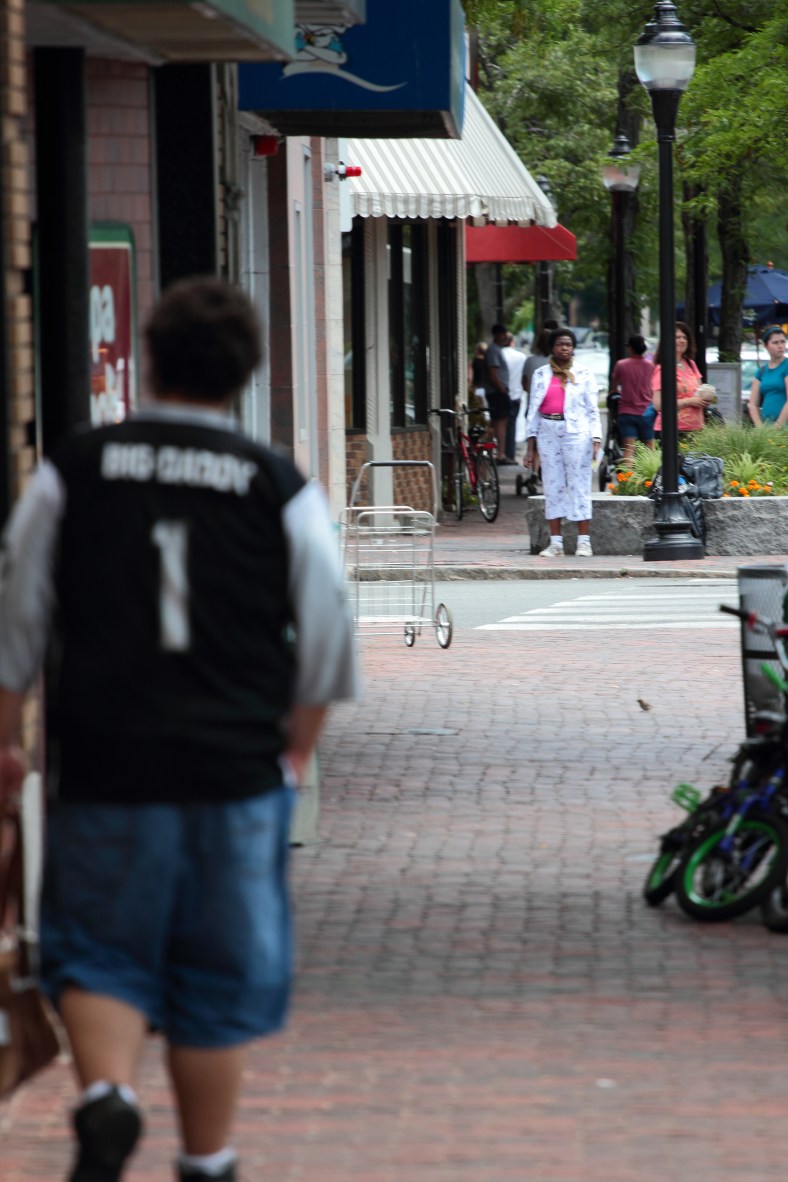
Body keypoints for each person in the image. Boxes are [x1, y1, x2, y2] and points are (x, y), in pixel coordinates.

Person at [0, 277, 359, 1182]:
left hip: (104, 760)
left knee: (98, 951)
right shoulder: (278, 486)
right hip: (235, 771)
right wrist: (295, 751)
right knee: (216, 978)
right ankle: (207, 1160)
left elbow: (17, 627)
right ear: (245, 373)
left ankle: (108, 1099)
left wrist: (9, 744)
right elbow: (327, 637)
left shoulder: (74, 470)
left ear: (148, 358)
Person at [523, 328, 602, 557]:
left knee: (579, 484)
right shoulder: (540, 374)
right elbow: (533, 411)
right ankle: (556, 542)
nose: (565, 348)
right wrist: (531, 447)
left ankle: (584, 541)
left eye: (568, 344)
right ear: (552, 348)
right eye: (560, 344)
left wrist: (596, 438)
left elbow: (592, 409)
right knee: (552, 485)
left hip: (577, 433)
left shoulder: (584, 373)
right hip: (548, 432)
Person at [651, 321, 713, 436]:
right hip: (673, 431)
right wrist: (688, 402)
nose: (682, 340)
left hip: (697, 429)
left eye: (685, 337)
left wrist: (706, 399)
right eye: (677, 337)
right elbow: (658, 405)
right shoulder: (662, 368)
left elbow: (699, 392)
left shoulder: (691, 364)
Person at [611, 333, 656, 461]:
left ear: (630, 348)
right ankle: (649, 478)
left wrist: (614, 391)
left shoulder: (621, 364)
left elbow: (614, 387)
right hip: (646, 412)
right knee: (650, 448)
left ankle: (627, 479)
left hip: (626, 412)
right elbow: (654, 387)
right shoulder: (650, 366)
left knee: (629, 449)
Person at [748, 325, 788, 426]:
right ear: (766, 346)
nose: (780, 346)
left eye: (783, 341)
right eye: (775, 342)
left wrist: (778, 426)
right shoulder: (761, 371)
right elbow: (752, 404)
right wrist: (760, 428)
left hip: (783, 428)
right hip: (766, 427)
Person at [484, 323, 512, 463]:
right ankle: (500, 454)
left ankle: (496, 452)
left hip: (497, 391)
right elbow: (493, 374)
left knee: (497, 423)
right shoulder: (494, 350)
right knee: (500, 423)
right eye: (502, 334)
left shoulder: (497, 349)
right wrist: (502, 391)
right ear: (497, 335)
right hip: (497, 392)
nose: (505, 336)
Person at [502, 332, 526, 462]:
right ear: (512, 342)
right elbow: (524, 376)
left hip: (501, 394)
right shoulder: (521, 357)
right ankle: (509, 454)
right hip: (516, 394)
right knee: (512, 425)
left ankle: (500, 452)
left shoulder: (499, 355)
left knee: (499, 424)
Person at [469, 341, 488, 409]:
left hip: (477, 388)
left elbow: (470, 377)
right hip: (487, 389)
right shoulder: (489, 362)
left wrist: (470, 387)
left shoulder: (473, 361)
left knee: (477, 411)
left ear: (477, 350)